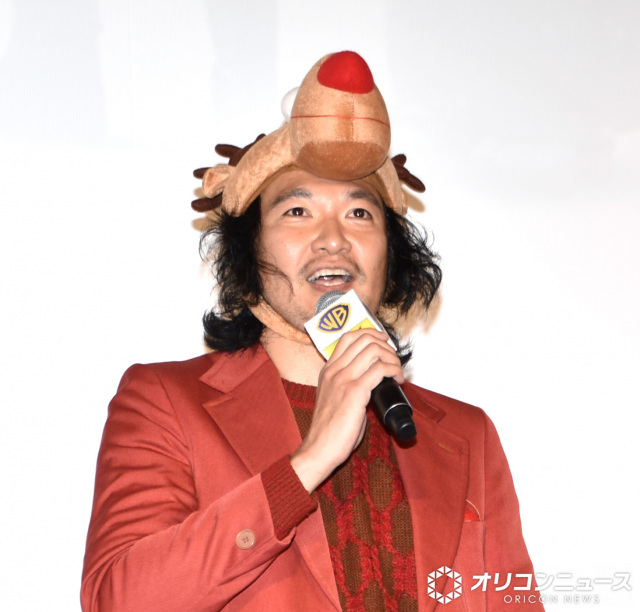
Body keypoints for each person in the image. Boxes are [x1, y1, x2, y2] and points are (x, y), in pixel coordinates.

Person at [82, 51, 543, 611]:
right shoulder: (164, 401)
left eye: (359, 214)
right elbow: (120, 599)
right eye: (297, 212)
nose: (333, 239)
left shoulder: (468, 434)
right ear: (248, 251)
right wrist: (309, 461)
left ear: (392, 255)